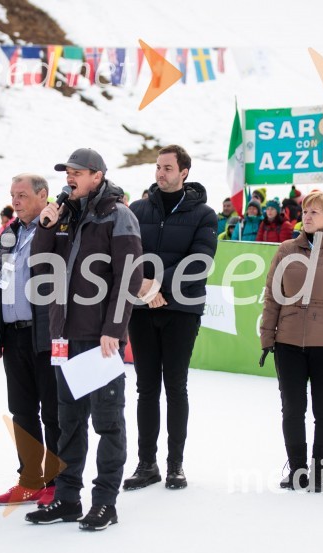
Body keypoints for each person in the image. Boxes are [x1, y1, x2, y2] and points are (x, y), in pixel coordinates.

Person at [25, 148, 142, 531]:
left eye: (76, 172)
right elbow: (40, 265)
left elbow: (129, 277)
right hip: (65, 337)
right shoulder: (63, 215)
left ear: (97, 176)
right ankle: (67, 498)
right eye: (67, 173)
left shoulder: (118, 215)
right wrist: (46, 226)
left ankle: (105, 502)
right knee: (69, 423)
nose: (69, 178)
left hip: (100, 338)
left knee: (107, 423)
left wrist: (114, 328)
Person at [123, 144, 218, 492]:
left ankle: (175, 464)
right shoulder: (137, 210)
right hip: (141, 308)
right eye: (158, 167)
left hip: (181, 310)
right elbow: (126, 254)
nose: (160, 173)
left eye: (167, 168)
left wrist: (157, 284)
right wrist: (143, 287)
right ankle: (146, 464)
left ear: (184, 173)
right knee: (146, 388)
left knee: (175, 386)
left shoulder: (205, 214)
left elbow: (200, 261)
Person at [260, 191, 323, 492]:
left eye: (314, 212)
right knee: (292, 409)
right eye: (305, 211)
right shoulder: (286, 250)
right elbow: (272, 297)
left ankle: (319, 472)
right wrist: (267, 337)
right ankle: (297, 470)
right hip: (288, 342)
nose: (307, 216)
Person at [0, 174, 61, 507]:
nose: (15, 201)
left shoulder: (57, 227)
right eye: (12, 195)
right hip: (14, 335)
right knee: (22, 411)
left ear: (43, 195)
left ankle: (57, 483)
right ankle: (30, 480)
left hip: (45, 335)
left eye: (21, 195)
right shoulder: (9, 234)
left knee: (54, 412)